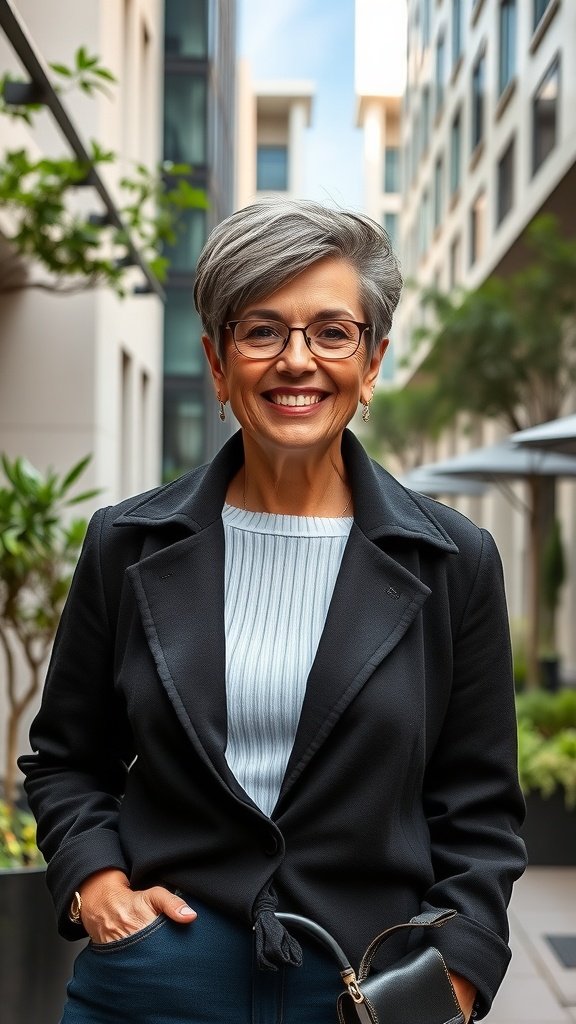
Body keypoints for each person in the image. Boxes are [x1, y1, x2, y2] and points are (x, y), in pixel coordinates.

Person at [20, 198, 527, 1024]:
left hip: (366, 992)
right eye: (262, 331)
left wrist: (456, 979)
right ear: (219, 365)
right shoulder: (126, 544)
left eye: (333, 332)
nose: (299, 360)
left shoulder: (454, 560)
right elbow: (67, 759)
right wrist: (98, 887)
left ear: (372, 365)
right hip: (151, 985)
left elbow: (480, 810)